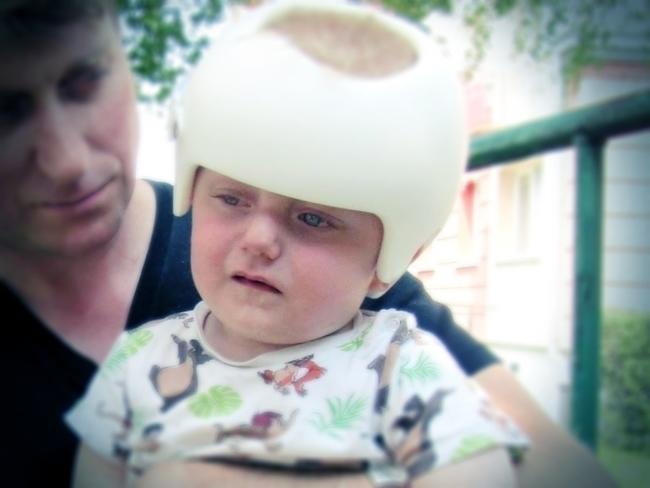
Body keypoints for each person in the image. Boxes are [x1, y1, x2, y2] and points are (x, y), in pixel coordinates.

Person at [0, 0, 615, 487]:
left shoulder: (403, 367)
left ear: (387, 263)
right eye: (232, 199)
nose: (259, 240)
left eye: (314, 219)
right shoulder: (139, 365)